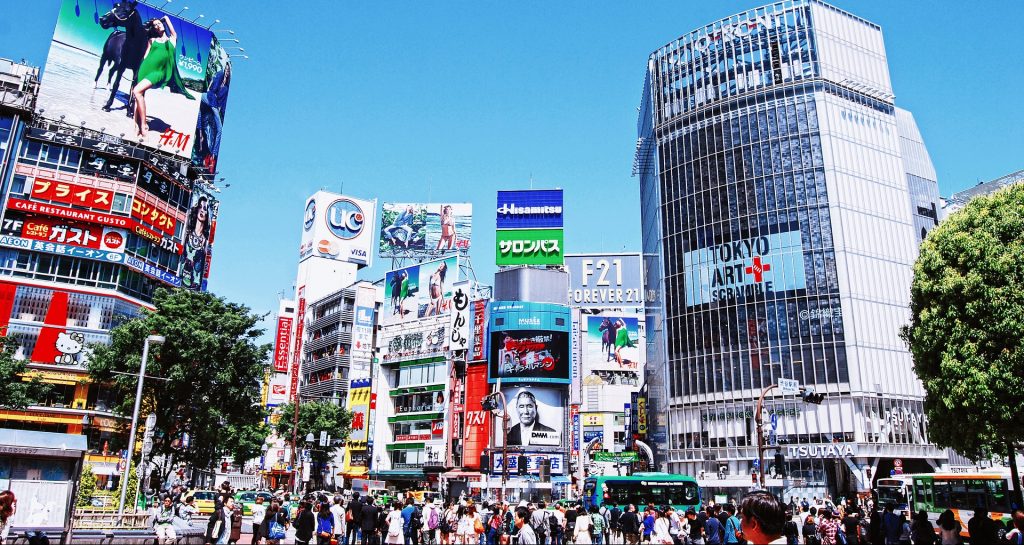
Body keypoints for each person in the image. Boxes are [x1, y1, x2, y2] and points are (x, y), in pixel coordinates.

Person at [131, 15, 195, 138]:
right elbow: (145, 56)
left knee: (137, 91)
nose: (157, 26)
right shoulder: (152, 40)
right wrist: (138, 71)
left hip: (158, 72)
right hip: (145, 70)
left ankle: (144, 126)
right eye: (154, 25)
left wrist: (164, 18)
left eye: (159, 24)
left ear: (163, 25)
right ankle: (136, 125)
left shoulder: (172, 39)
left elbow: (172, 30)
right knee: (138, 96)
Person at [181, 195, 211, 289]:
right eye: (200, 207)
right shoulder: (187, 233)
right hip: (179, 278)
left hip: (194, 285)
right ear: (196, 209)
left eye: (205, 209)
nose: (202, 210)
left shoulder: (206, 241)